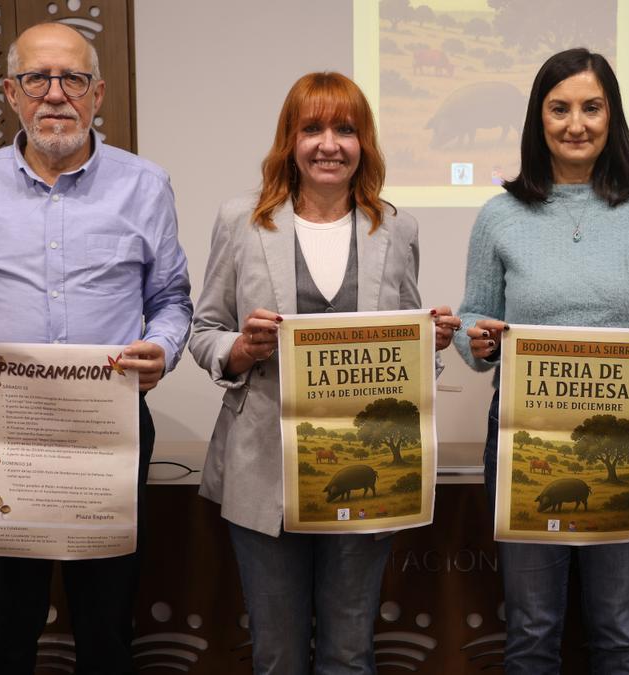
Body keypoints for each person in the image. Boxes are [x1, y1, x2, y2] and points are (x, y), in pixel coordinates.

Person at [0, 22, 192, 675]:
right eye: (38, 78)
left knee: (106, 629)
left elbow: (174, 299)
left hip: (111, 427)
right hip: (7, 428)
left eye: (72, 79)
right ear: (12, 93)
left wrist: (162, 345)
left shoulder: (145, 184)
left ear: (98, 95)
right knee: (6, 628)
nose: (55, 94)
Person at [189, 71, 459, 674]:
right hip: (264, 467)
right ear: (289, 140)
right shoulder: (241, 221)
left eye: (345, 128)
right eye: (312, 128)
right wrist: (241, 349)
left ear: (364, 142)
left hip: (364, 467)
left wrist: (430, 341)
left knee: (348, 655)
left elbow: (407, 358)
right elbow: (202, 330)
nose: (328, 143)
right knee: (277, 658)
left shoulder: (397, 227)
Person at [453, 48, 629, 673]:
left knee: (619, 633)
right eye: (559, 108)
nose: (576, 124)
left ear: (612, 116)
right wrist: (474, 340)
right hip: (524, 444)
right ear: (538, 121)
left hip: (626, 440)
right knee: (532, 632)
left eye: (592, 108)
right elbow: (468, 320)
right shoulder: (499, 215)